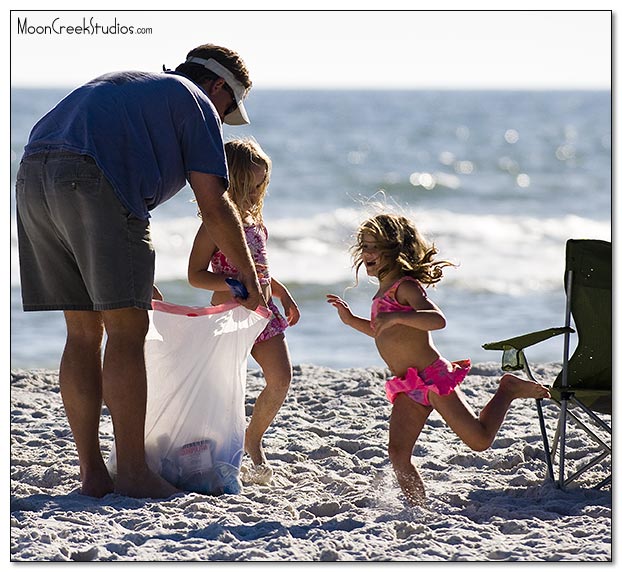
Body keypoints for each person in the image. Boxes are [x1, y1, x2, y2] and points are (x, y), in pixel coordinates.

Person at [15, 44, 265, 499]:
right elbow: (215, 202)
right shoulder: (196, 100)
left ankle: (93, 475)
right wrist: (251, 281)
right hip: (93, 179)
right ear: (217, 87)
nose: (223, 121)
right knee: (128, 329)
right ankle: (132, 472)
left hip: (33, 175)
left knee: (83, 332)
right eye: (228, 107)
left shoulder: (137, 85)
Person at [326, 213, 550, 506]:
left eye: (374, 247)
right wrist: (350, 320)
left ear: (395, 250)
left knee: (479, 441)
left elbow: (437, 319)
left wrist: (395, 316)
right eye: (364, 246)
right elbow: (381, 332)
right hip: (407, 386)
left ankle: (507, 389)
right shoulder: (381, 292)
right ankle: (418, 509)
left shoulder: (405, 287)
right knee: (397, 453)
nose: (367, 254)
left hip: (433, 378)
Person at [188, 138, 299, 484]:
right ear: (229, 183)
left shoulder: (256, 222)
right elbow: (195, 276)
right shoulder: (214, 225)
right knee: (223, 388)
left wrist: (283, 294)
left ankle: (254, 436)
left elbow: (261, 270)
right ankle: (216, 447)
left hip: (263, 314)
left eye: (260, 186)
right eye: (247, 187)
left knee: (280, 379)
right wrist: (236, 288)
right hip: (228, 317)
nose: (254, 194)